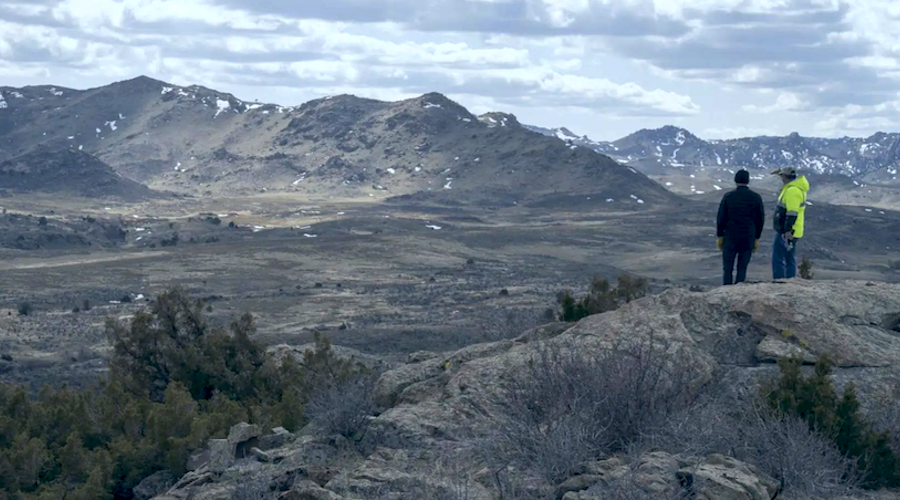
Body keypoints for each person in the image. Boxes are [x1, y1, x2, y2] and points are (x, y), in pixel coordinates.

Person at [716, 169, 765, 285]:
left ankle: (726, 290)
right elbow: (760, 219)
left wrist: (720, 235)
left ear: (735, 180)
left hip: (730, 236)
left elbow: (721, 218)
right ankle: (739, 289)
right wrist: (757, 237)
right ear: (748, 181)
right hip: (748, 236)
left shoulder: (728, 196)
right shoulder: (756, 197)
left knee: (727, 268)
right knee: (742, 268)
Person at [770, 167, 810, 280]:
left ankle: (780, 279)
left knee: (779, 256)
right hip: (792, 229)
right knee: (789, 256)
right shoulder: (796, 188)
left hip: (787, 230)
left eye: (782, 176)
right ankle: (790, 280)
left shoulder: (793, 191)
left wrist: (787, 230)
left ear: (785, 177)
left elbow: (792, 212)